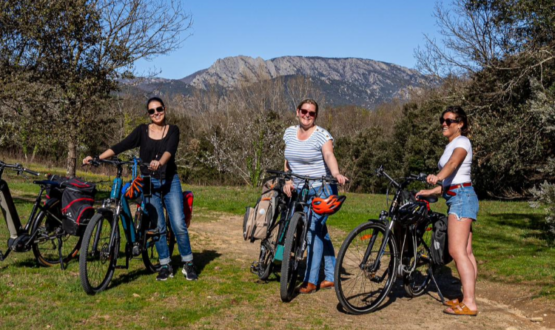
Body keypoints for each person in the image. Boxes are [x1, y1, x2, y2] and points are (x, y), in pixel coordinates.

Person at [83, 97, 198, 281]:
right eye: (151, 111)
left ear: (165, 109)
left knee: (178, 224)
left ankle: (188, 263)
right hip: (148, 183)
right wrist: (97, 158)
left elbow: (169, 151)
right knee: (158, 226)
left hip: (170, 182)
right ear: (148, 114)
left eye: (158, 109)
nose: (156, 113)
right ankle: (165, 265)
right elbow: (121, 146)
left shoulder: (173, 130)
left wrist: (159, 163)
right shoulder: (142, 131)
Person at [416, 106, 479, 316]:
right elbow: (453, 178)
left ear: (460, 123)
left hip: (461, 198)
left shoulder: (462, 142)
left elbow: (453, 164)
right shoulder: (452, 143)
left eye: (449, 121)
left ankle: (470, 303)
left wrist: (438, 176)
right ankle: (468, 298)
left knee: (457, 251)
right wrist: (432, 190)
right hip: (458, 195)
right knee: (467, 252)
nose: (444, 123)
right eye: (442, 120)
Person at [282, 99, 348, 294]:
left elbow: (328, 155)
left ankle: (310, 281)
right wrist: (288, 181)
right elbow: (288, 159)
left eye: (311, 113)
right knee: (319, 231)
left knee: (312, 230)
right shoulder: (289, 133)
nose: (307, 115)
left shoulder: (322, 136)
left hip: (323, 189)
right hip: (301, 190)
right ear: (297, 111)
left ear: (315, 116)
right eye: (304, 111)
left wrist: (336, 173)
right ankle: (331, 275)